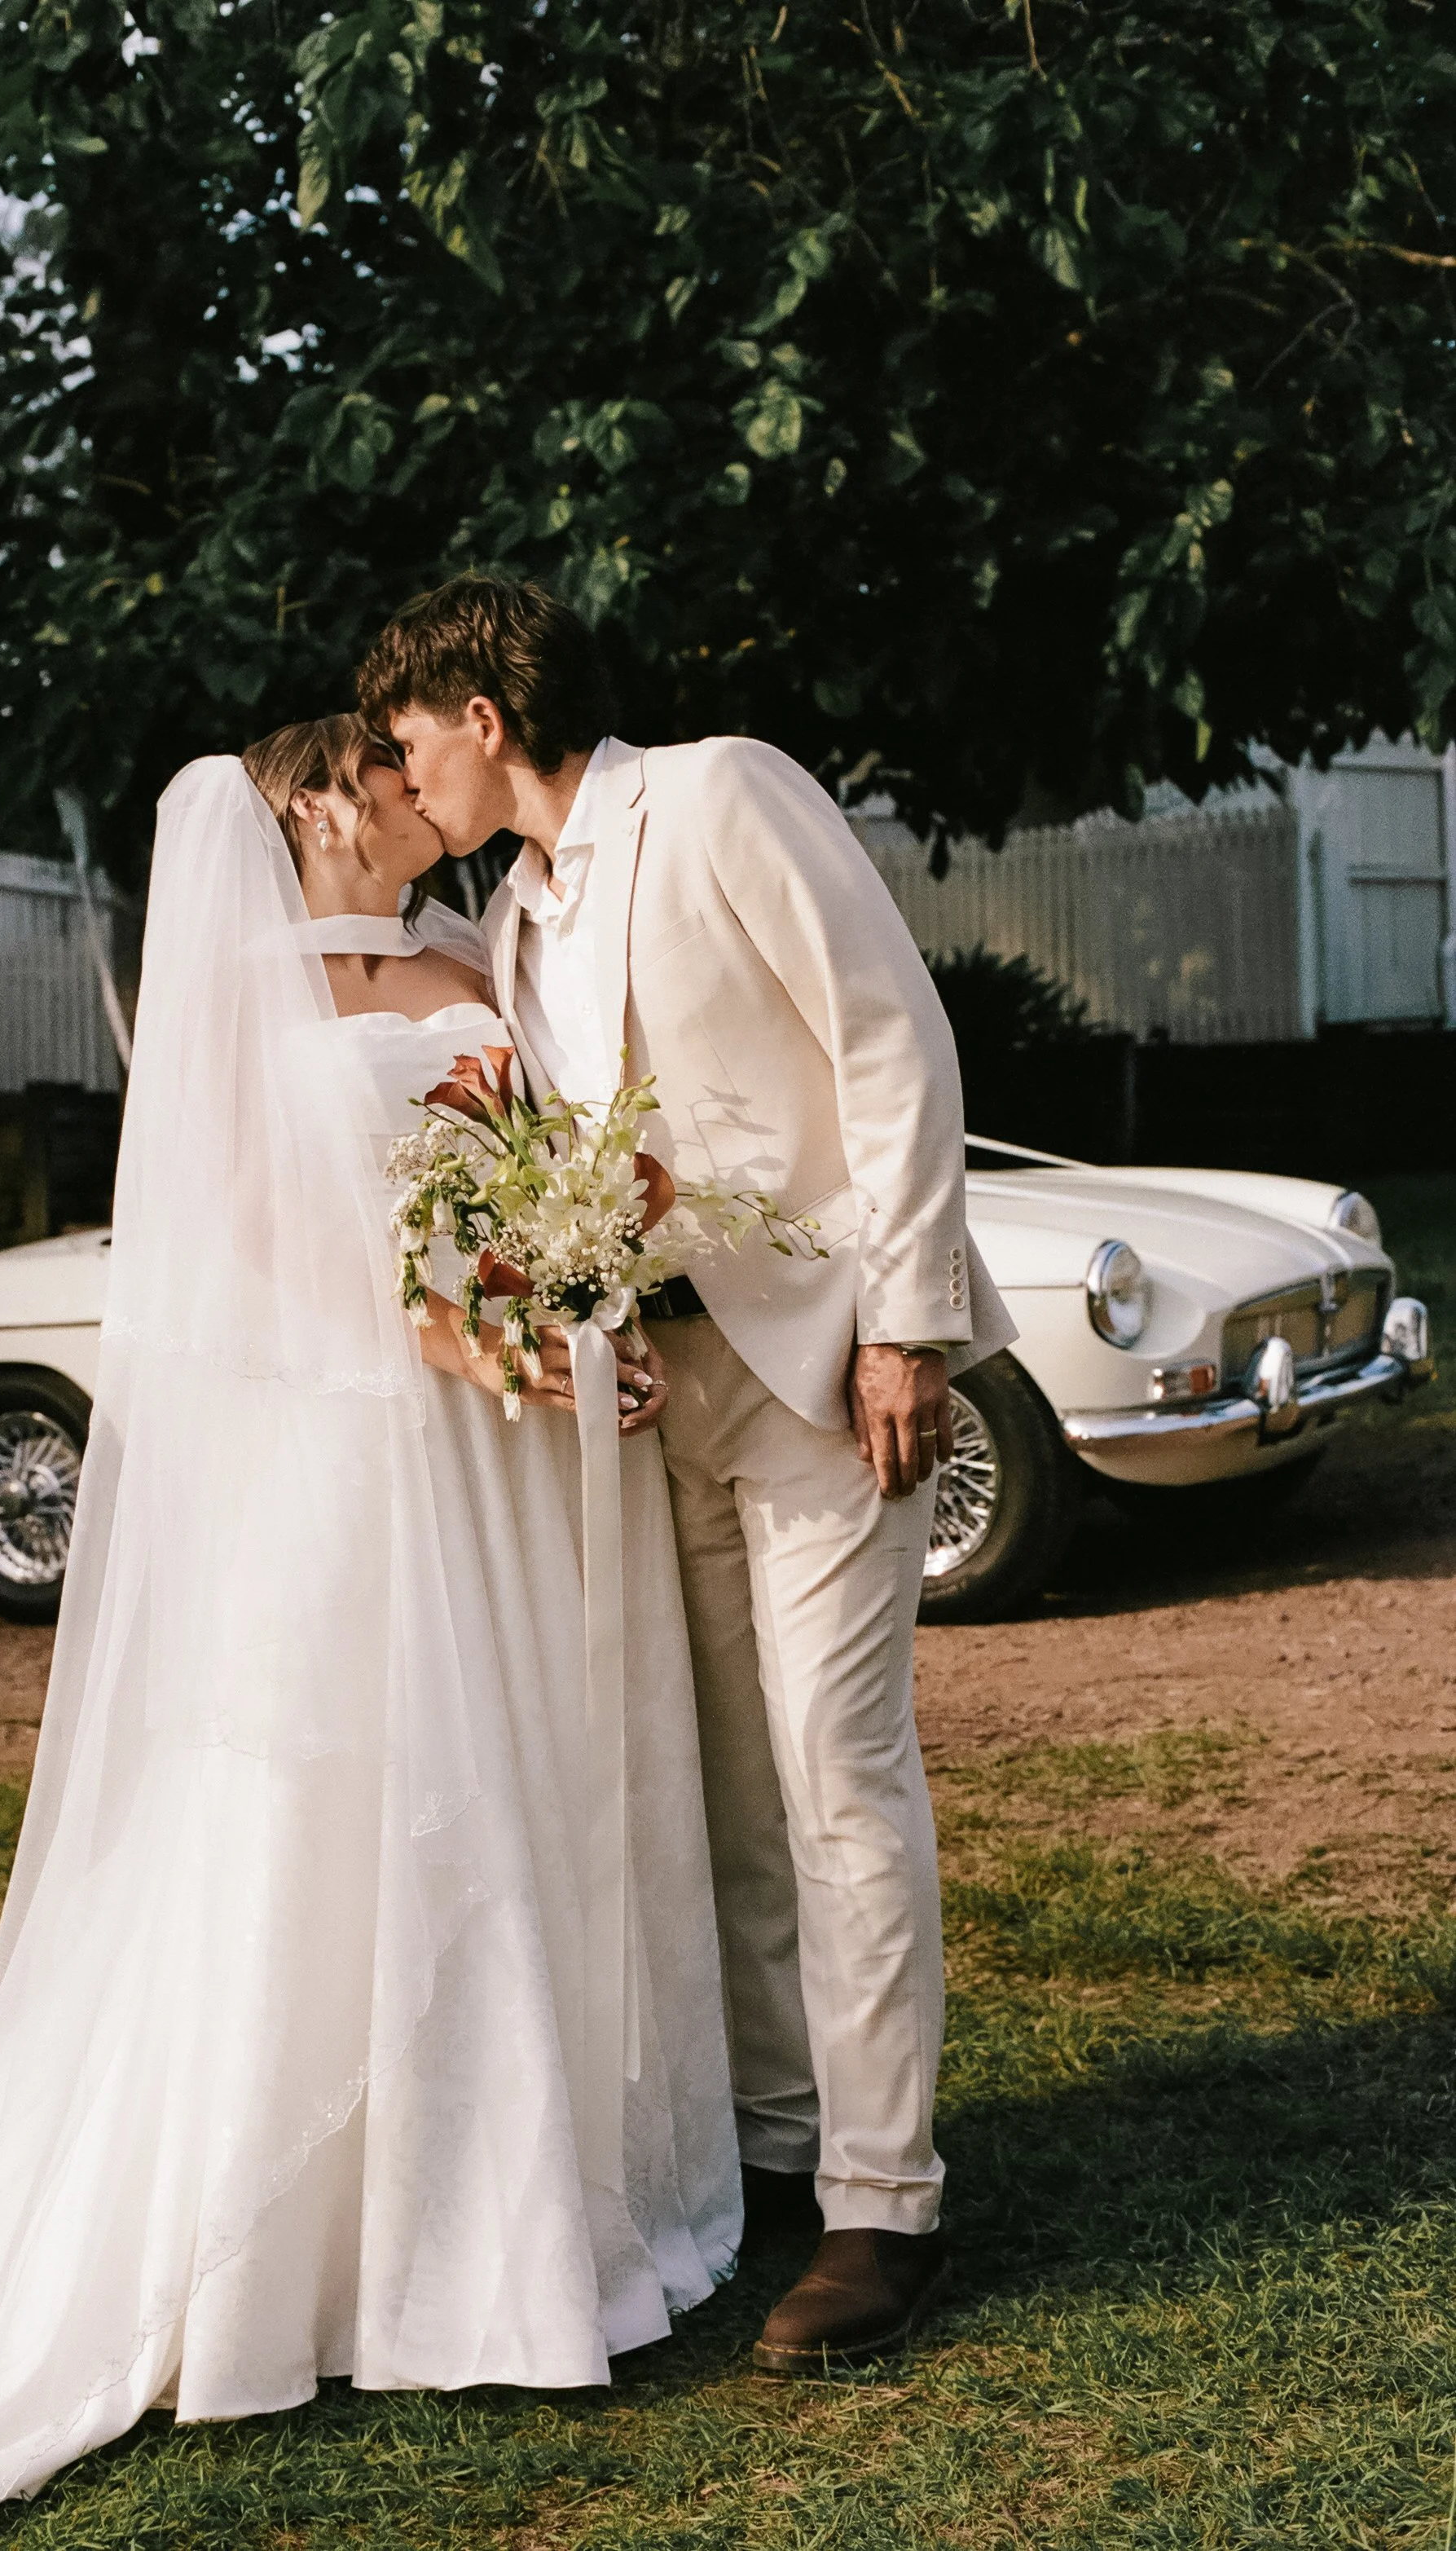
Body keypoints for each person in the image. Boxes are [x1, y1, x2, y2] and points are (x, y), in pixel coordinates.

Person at [0, 722, 739, 2551]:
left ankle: (504, 2182)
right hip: (349, 1436)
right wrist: (441, 1332)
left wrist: (575, 1304)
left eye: (402, 769)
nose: (399, 795)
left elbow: (558, 1165)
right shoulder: (235, 991)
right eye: (368, 776)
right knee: (340, 1789)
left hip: (507, 1440)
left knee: (515, 1773)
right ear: (301, 805)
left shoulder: (476, 958)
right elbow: (240, 1235)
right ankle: (299, 2235)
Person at [357, 579, 1018, 2377]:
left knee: (833, 1770)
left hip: (825, 1370)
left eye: (408, 743)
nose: (402, 782)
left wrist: (907, 1325)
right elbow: (596, 1155)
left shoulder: (718, 789)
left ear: (481, 711)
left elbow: (888, 1035)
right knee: (729, 1782)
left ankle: (889, 2202)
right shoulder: (507, 914)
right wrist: (587, 1312)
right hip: (672, 1383)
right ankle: (789, 2140)